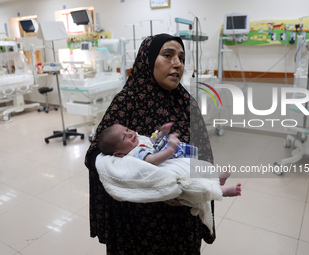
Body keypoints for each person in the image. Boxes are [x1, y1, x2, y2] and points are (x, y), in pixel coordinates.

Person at [85, 33, 218, 254]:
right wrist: (140, 179)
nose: (177, 64)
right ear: (147, 60)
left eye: (182, 59)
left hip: (181, 217)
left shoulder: (186, 104)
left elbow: (204, 155)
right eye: (168, 55)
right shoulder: (127, 100)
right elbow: (94, 155)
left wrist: (195, 188)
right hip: (136, 220)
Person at [96, 122, 241, 197]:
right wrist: (170, 149)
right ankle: (222, 191)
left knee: (197, 169)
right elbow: (152, 160)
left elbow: (152, 141)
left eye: (127, 130)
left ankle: (216, 178)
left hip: (173, 161)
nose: (130, 134)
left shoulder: (138, 140)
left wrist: (161, 133)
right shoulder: (135, 154)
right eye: (124, 137)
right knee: (193, 186)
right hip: (166, 170)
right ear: (119, 154)